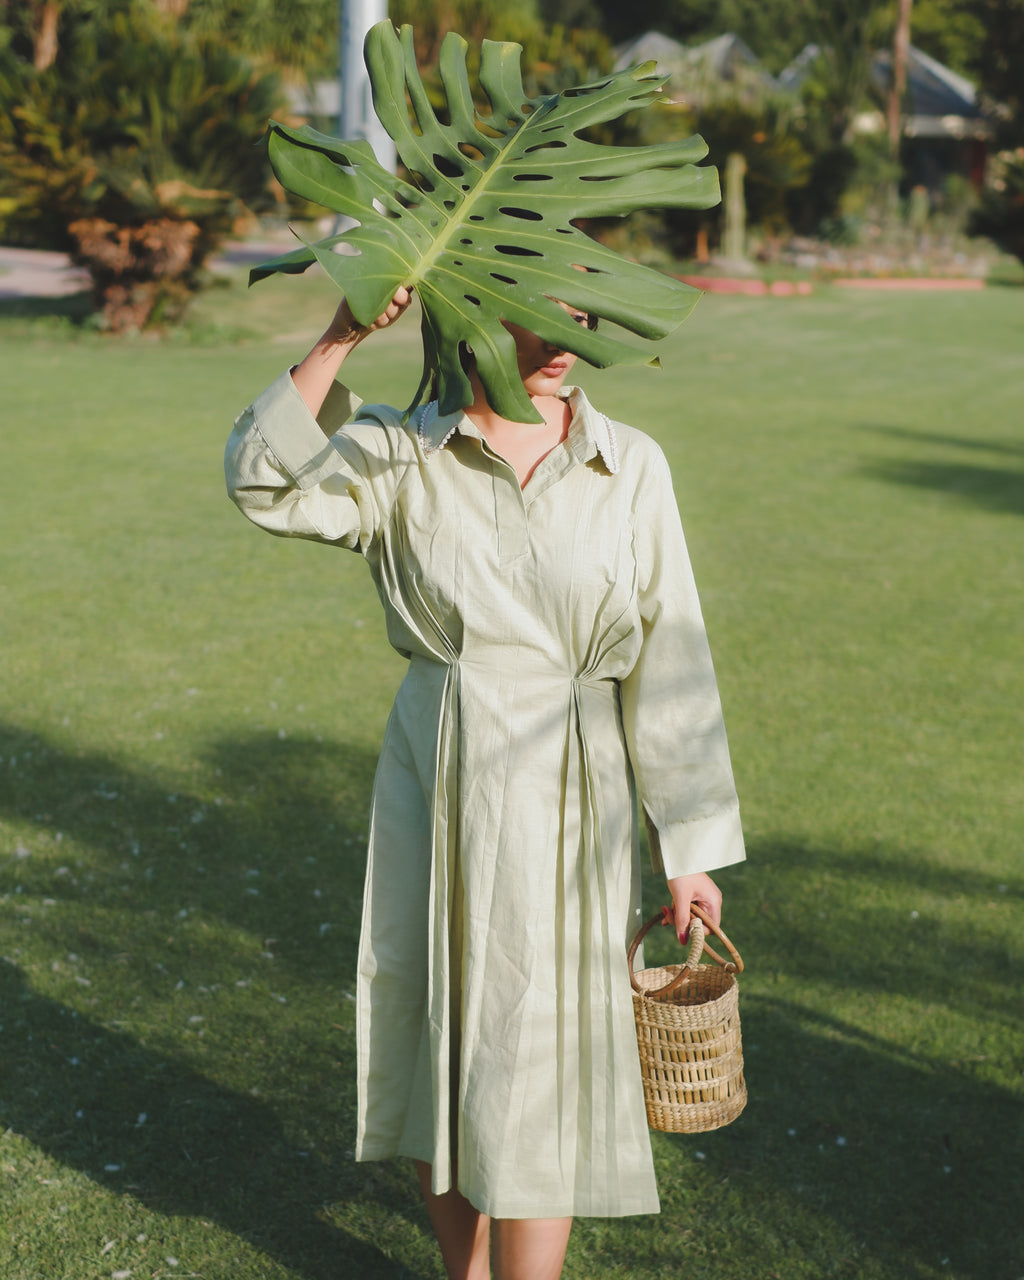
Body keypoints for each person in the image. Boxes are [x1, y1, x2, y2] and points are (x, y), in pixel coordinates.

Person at [225, 286, 745, 1280]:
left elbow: (671, 656)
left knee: (545, 1050)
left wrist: (686, 845)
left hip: (572, 787)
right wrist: (343, 334)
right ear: (471, 317)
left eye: (582, 316)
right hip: (441, 767)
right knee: (443, 1035)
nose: (564, 340)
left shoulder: (627, 462)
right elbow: (261, 481)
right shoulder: (400, 450)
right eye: (534, 314)